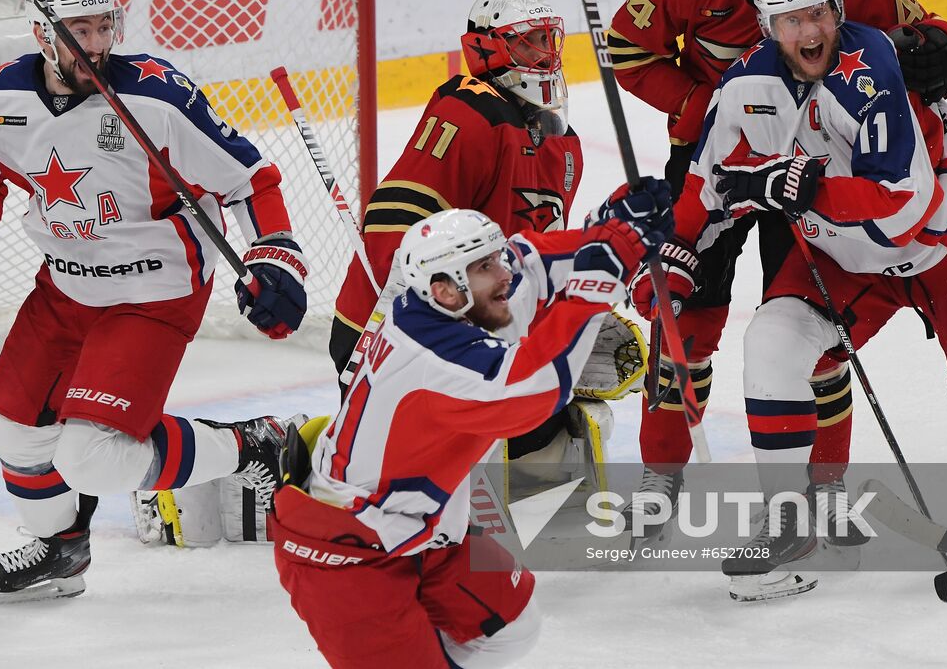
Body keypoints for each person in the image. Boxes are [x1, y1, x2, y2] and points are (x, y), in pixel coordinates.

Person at [661, 0, 947, 601]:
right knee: (771, 343)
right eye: (790, 19)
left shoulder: (874, 69)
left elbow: (899, 204)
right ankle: (788, 520)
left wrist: (809, 192)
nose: (809, 32)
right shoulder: (746, 88)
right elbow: (705, 183)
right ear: (766, 27)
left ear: (836, 9)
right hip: (842, 260)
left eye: (819, 13)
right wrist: (680, 250)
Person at [0, 0, 309, 604]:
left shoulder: (157, 96)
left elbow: (248, 178)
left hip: (155, 292)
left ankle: (252, 442)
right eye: (78, 31)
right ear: (44, 33)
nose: (95, 45)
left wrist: (276, 258)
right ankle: (61, 550)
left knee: (92, 455)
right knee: (14, 425)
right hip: (64, 289)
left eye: (103, 28)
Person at [607, 0, 947, 537]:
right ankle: (660, 476)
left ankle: (825, 491)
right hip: (718, 165)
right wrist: (695, 108)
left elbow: (927, 35)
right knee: (685, 324)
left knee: (813, 332)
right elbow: (627, 48)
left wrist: (944, 51)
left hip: (813, 170)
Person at [271, 184, 673, 667]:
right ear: (445, 287)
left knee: (510, 626)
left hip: (419, 532)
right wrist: (598, 281)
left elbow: (530, 263)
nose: (502, 274)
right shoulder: (430, 357)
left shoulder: (449, 301)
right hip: (350, 556)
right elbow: (535, 391)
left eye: (493, 260)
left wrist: (607, 232)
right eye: (486, 267)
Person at [329, 0, 638, 496]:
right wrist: (390, 333)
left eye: (549, 40)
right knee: (408, 475)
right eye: (529, 43)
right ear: (490, 50)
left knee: (570, 423)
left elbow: (529, 262)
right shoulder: (469, 108)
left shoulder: (564, 144)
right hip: (390, 329)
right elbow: (394, 223)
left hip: (474, 331)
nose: (547, 55)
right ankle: (282, 453)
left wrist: (566, 316)